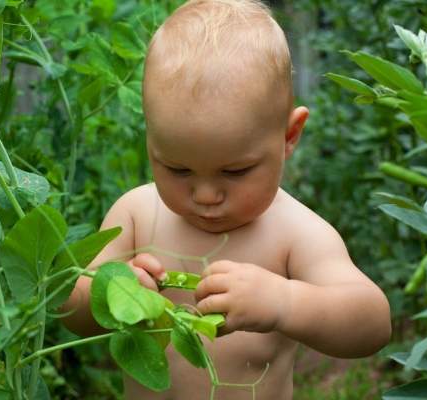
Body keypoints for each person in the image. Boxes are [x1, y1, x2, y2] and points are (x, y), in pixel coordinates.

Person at [63, 0, 392, 398]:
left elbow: (372, 324)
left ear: (289, 137)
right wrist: (110, 292)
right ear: (150, 138)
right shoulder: (135, 213)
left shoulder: (295, 232)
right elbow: (71, 312)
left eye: (235, 171)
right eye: (177, 169)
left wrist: (284, 302)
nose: (205, 195)